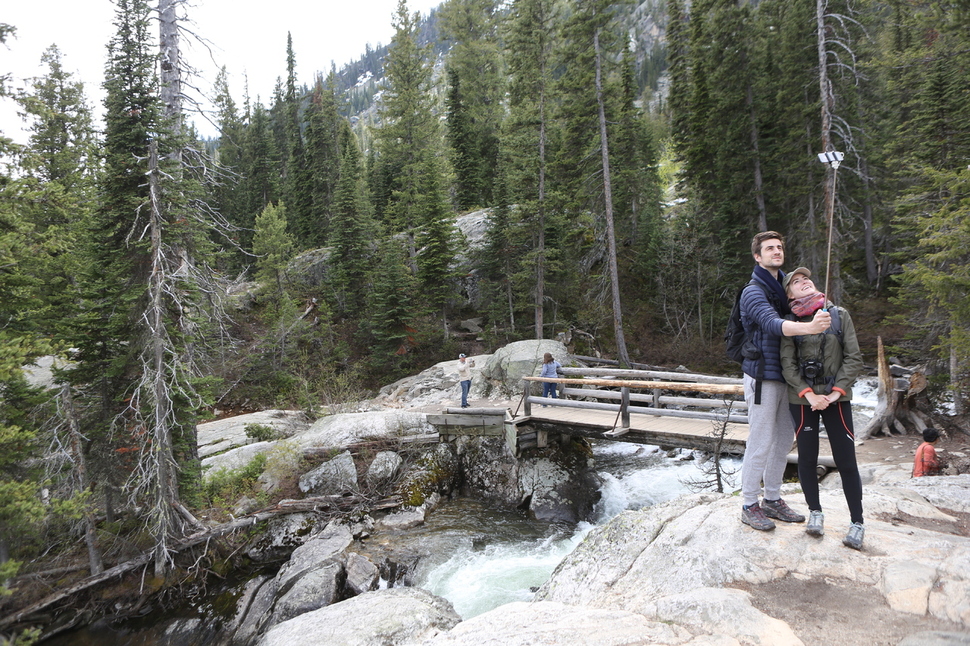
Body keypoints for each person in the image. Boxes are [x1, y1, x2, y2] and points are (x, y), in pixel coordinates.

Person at [738, 232, 832, 532]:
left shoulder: (781, 289)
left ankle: (773, 498)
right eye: (769, 249)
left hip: (785, 378)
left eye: (779, 247)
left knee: (781, 442)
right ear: (757, 256)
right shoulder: (753, 291)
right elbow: (771, 323)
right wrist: (809, 329)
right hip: (762, 378)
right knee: (761, 441)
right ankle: (748, 503)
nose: (776, 252)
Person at [780, 267, 866, 550]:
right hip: (803, 400)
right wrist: (808, 394)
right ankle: (815, 512)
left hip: (836, 400)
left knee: (846, 461)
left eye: (806, 278)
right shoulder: (790, 322)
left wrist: (833, 393)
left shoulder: (838, 315)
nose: (803, 281)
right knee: (806, 458)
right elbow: (788, 364)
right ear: (789, 293)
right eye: (795, 281)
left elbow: (854, 359)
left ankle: (857, 522)